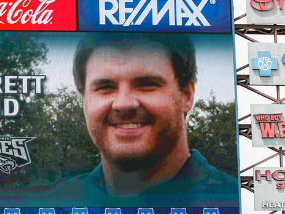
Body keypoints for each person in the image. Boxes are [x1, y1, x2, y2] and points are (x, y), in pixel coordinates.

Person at [52, 32, 237, 204]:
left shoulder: (234, 202)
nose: (123, 104)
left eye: (147, 85)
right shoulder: (53, 205)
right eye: (105, 87)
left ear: (186, 95)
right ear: (84, 99)